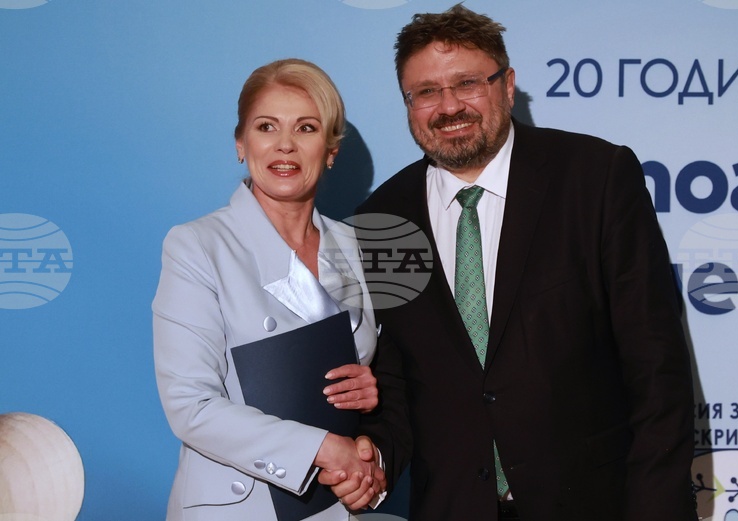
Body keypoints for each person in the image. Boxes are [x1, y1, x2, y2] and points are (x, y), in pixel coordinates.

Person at [322, 4, 697, 521]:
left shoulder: (594, 178)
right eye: (426, 91)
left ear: (508, 84)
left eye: (467, 83)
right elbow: (401, 383)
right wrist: (375, 458)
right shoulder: (383, 218)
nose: (449, 106)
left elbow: (656, 367)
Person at [153, 58, 385, 521]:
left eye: (306, 128)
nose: (285, 145)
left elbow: (380, 378)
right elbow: (190, 406)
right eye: (266, 126)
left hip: (337, 501)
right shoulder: (198, 245)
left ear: (331, 150)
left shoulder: (357, 246)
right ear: (241, 143)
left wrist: (369, 415)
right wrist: (322, 448)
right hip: (237, 504)